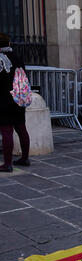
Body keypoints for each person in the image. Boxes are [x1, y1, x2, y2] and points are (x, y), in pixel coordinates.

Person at [0, 32, 31, 172]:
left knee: (7, 130)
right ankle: (25, 158)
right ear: (9, 43)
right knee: (21, 128)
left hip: (4, 100)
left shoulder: (1, 58)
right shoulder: (17, 56)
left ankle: (7, 164)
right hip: (19, 98)